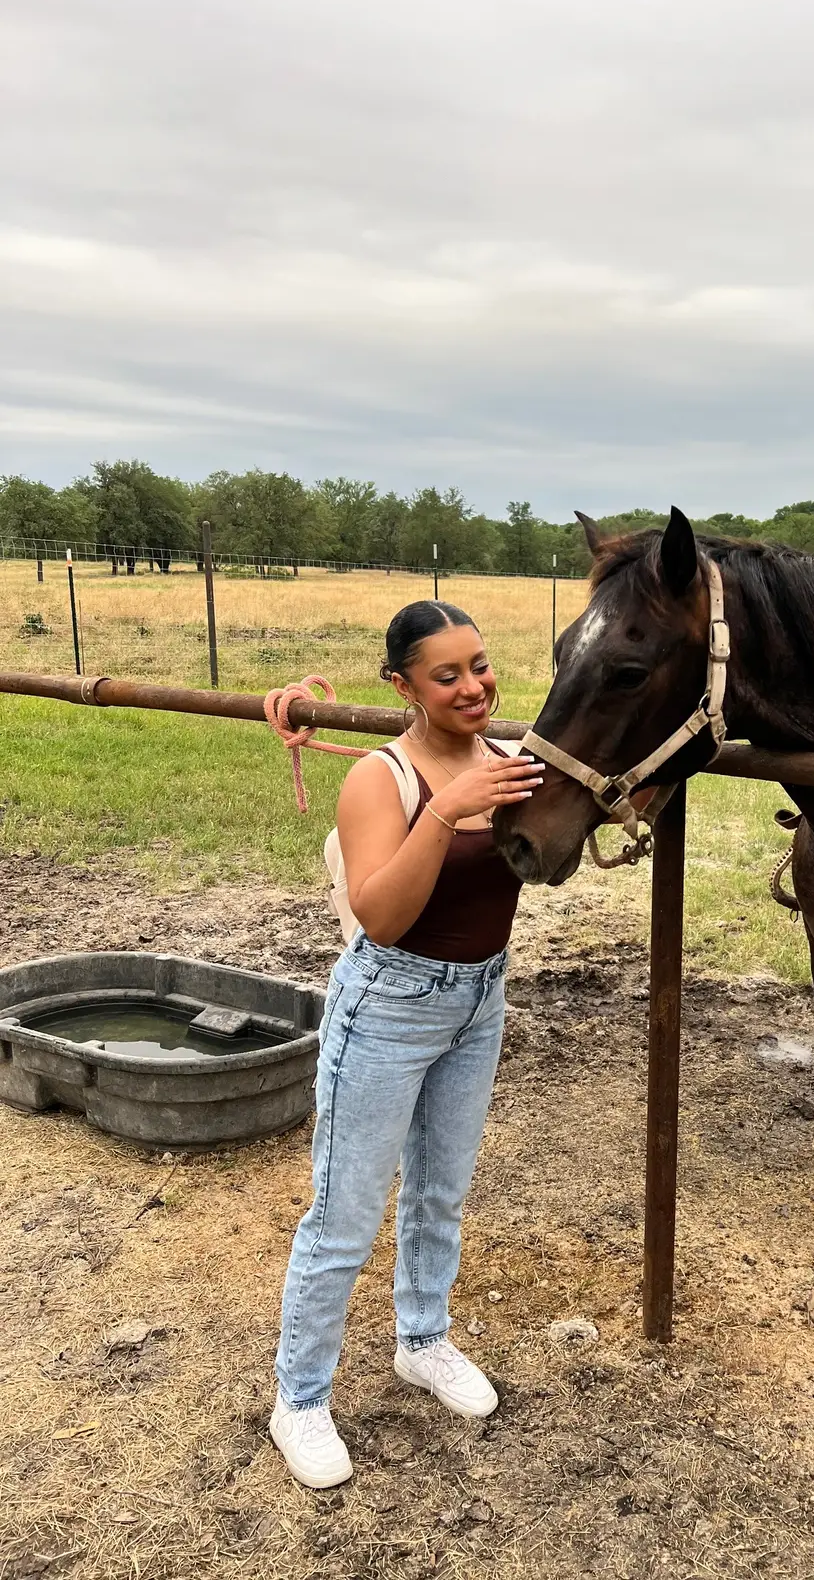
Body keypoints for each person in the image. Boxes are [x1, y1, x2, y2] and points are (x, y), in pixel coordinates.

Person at [271, 600, 543, 1489]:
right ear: (403, 686)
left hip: (479, 1001)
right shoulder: (381, 780)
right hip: (388, 1005)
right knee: (343, 1214)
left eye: (481, 665)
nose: (474, 686)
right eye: (447, 674)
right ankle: (300, 1398)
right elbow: (382, 918)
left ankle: (422, 1341)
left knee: (440, 1192)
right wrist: (448, 811)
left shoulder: (510, 762)